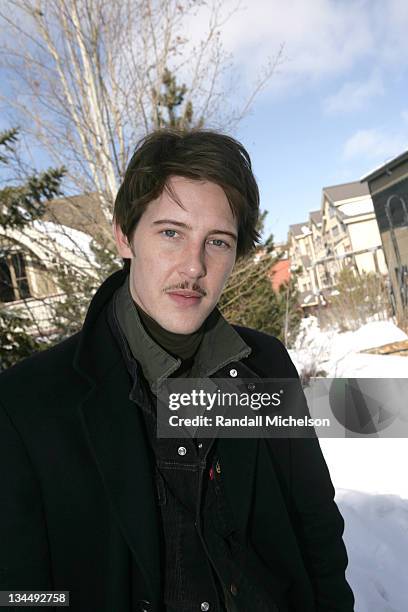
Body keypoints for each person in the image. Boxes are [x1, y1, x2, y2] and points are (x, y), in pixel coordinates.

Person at [0, 129, 355, 612]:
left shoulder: (263, 365)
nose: (194, 266)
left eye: (218, 241)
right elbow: (22, 594)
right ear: (125, 236)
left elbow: (314, 523)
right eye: (171, 233)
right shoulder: (28, 405)